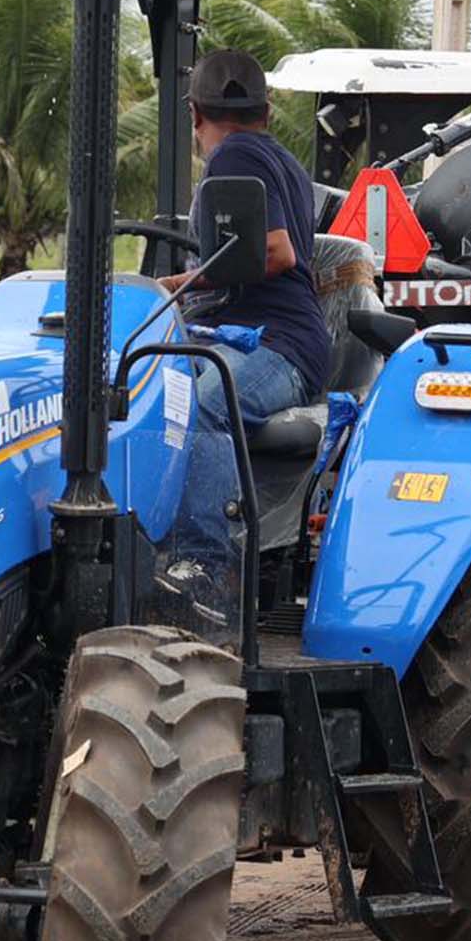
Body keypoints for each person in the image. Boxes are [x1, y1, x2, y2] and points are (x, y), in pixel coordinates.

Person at [164, 49, 329, 582]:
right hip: (260, 337)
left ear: (194, 114)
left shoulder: (234, 155)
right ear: (269, 109)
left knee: (206, 403)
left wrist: (181, 282)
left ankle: (204, 568)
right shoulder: (288, 164)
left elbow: (276, 253)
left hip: (274, 343)